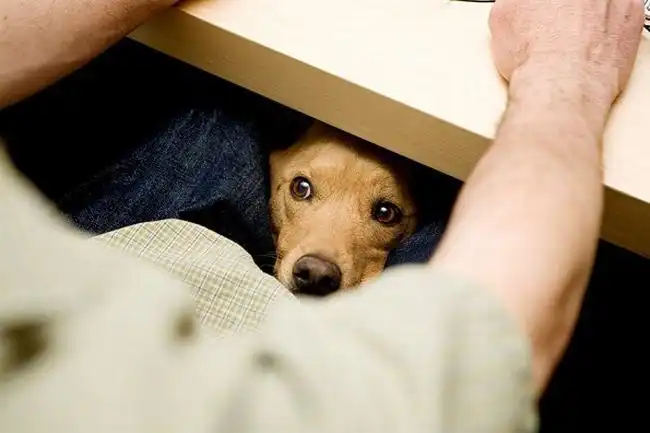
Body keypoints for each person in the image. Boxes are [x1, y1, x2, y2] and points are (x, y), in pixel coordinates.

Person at [0, 0, 644, 432]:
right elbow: (480, 355)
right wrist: (569, 74)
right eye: (385, 211)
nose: (323, 253)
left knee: (214, 121)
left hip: (135, 248)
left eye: (382, 211)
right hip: (314, 339)